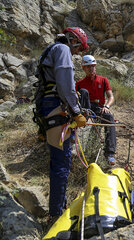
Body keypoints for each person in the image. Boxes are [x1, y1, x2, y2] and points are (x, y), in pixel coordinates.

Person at [38, 27, 88, 222]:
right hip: (55, 107)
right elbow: (66, 86)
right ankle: (56, 215)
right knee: (62, 163)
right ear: (73, 40)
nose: (77, 53)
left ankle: (58, 205)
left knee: (59, 161)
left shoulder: (51, 50)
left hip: (48, 106)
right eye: (79, 48)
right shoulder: (63, 50)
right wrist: (76, 112)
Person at [76, 55, 117, 165]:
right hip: (86, 108)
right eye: (88, 66)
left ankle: (110, 153)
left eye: (93, 66)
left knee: (109, 118)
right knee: (83, 91)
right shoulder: (79, 84)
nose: (91, 68)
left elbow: (111, 97)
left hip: (100, 108)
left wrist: (106, 107)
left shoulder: (103, 80)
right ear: (83, 68)